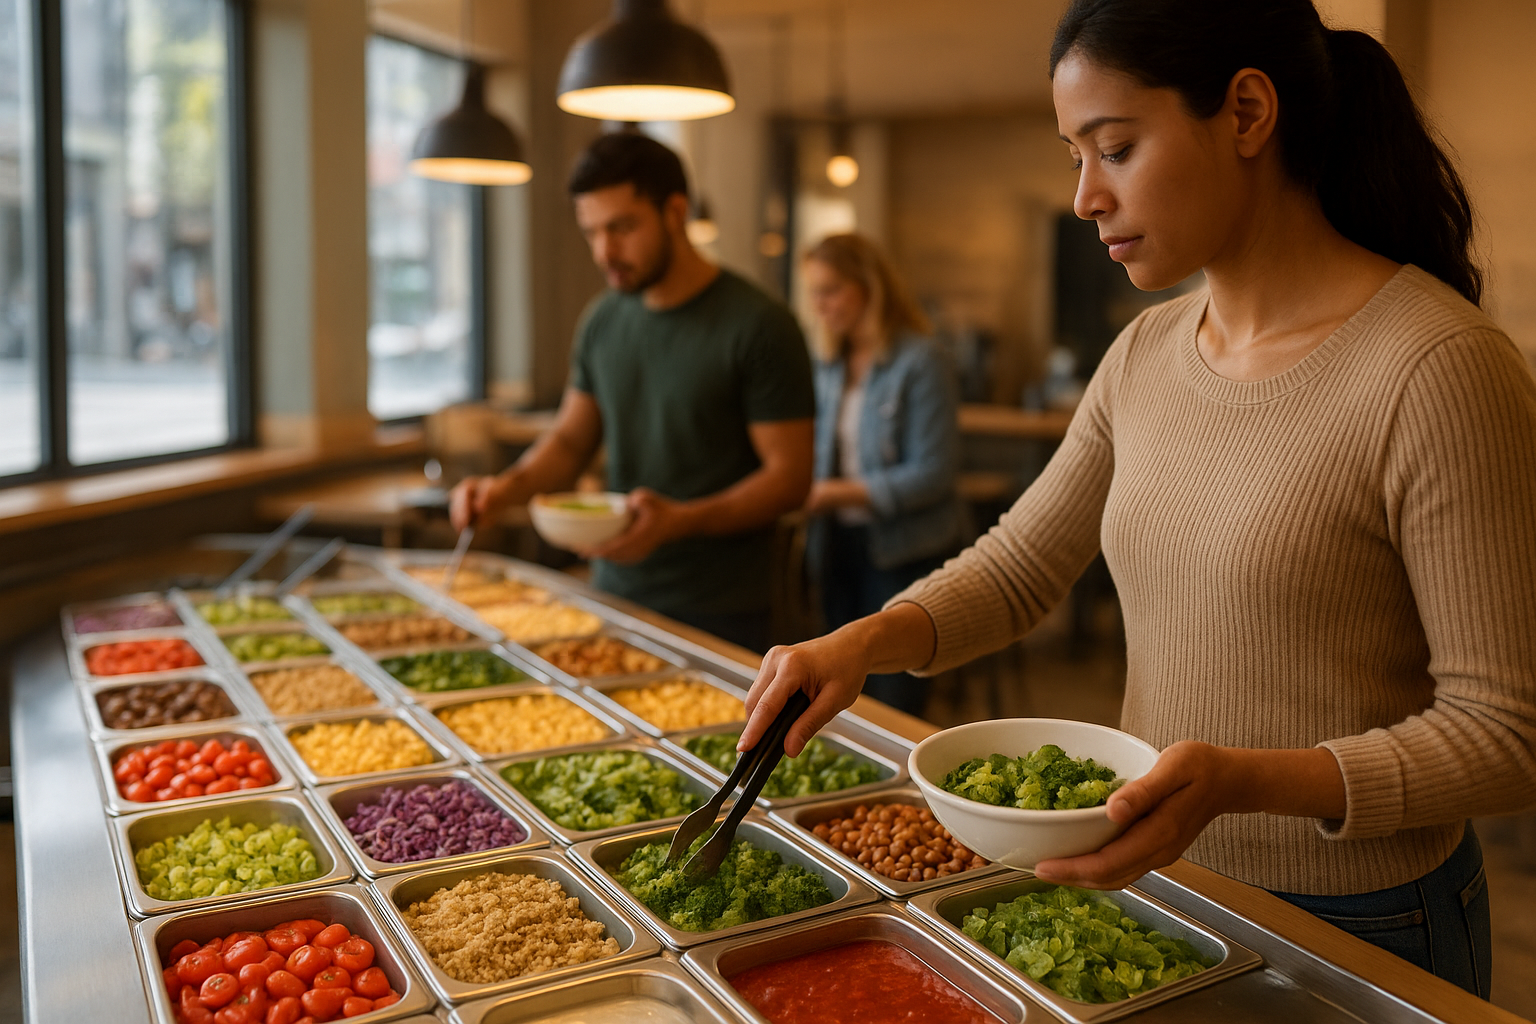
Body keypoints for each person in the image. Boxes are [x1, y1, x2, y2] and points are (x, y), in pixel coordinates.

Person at [738, 0, 1536, 998]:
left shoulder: (1439, 366)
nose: (1084, 196)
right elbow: (1022, 567)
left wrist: (1245, 781)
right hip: (1161, 889)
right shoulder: (1146, 352)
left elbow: (1507, 734)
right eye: (1075, 155)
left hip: (1363, 920)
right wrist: (863, 641)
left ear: (1247, 113)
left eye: (1114, 148)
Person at [451, 133, 815, 652]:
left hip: (724, 610)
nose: (604, 251)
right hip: (614, 595)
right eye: (592, 232)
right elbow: (570, 442)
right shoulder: (602, 320)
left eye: (621, 227)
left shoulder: (759, 325)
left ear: (676, 212)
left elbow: (790, 478)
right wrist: (502, 490)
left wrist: (679, 522)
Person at [800, 233, 968, 717]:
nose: (819, 305)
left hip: (903, 551)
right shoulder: (829, 363)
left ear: (868, 287)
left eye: (830, 290)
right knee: (839, 693)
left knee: (895, 700)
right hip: (837, 544)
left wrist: (832, 493)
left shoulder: (922, 360)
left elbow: (934, 473)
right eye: (814, 292)